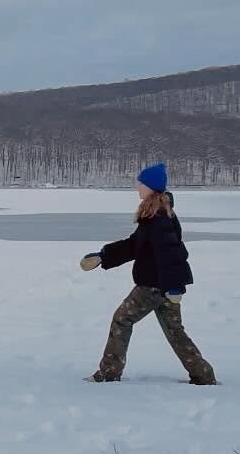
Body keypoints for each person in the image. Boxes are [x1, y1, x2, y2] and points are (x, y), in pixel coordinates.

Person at [80, 163, 216, 385]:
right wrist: (104, 256)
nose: (137, 187)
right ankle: (203, 375)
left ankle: (109, 373)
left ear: (151, 187)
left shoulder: (158, 217)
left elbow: (170, 252)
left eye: (140, 184)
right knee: (175, 331)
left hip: (154, 286)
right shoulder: (156, 213)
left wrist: (174, 286)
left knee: (122, 319)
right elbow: (135, 245)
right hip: (164, 286)